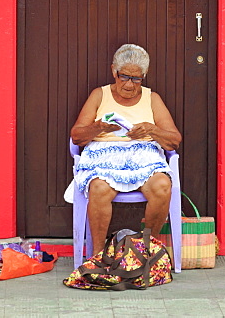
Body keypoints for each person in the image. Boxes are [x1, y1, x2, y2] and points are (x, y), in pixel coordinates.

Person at [70, 43, 182, 255]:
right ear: (114, 71)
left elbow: (174, 140)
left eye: (136, 78)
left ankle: (145, 250)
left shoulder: (152, 98)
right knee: (99, 188)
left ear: (144, 75)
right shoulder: (99, 95)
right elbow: (77, 136)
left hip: (144, 158)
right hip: (104, 158)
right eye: (124, 77)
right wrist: (99, 127)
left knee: (162, 186)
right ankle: (98, 256)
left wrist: (151, 130)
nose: (130, 84)